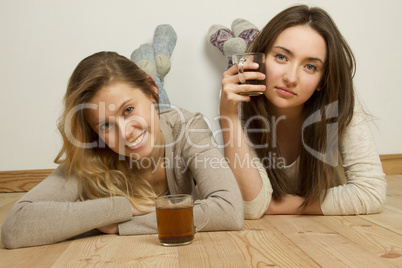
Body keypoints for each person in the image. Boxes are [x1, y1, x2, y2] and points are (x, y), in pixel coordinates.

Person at [1, 51, 243, 249]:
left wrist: (122, 225)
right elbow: (15, 227)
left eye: (128, 110)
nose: (126, 132)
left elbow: (229, 210)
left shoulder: (188, 128)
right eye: (106, 125)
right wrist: (119, 208)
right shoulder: (93, 154)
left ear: (151, 90)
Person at [219, 5, 386, 219]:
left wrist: (276, 206)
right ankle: (243, 41)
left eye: (310, 67)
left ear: (321, 81)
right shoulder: (239, 98)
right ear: (260, 60)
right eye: (281, 57)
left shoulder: (339, 99)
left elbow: (371, 192)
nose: (291, 78)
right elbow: (251, 206)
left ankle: (247, 39)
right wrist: (228, 115)